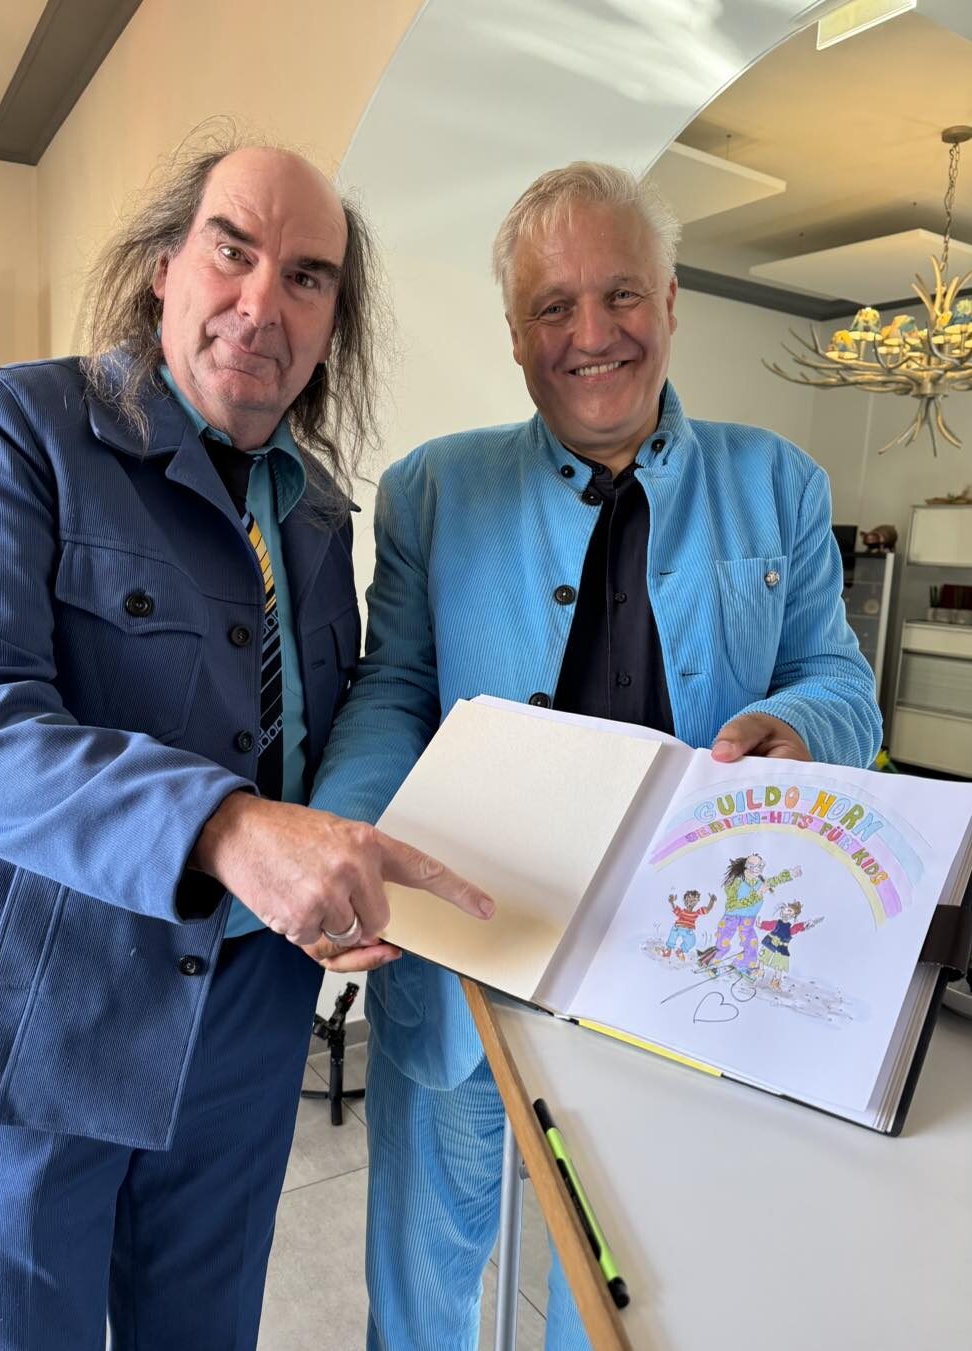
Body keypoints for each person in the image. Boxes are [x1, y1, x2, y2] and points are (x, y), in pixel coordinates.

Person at [0, 134, 492, 1351]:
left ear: (331, 323)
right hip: (40, 1003)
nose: (261, 303)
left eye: (307, 277)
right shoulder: (19, 424)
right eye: (232, 251)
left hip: (246, 1014)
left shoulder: (317, 511)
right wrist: (222, 826)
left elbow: (324, 721)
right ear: (164, 267)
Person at [310, 160, 881, 1350]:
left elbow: (839, 682)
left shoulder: (779, 482)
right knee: (421, 1284)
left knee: (619, 1297)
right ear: (514, 333)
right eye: (551, 307)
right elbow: (391, 691)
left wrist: (800, 726)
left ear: (669, 300)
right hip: (467, 961)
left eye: (619, 294)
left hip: (682, 979)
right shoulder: (430, 488)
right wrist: (345, 837)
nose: (590, 335)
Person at [699, 854, 803, 975]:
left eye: (761, 865)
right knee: (723, 942)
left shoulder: (759, 882)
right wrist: (757, 895)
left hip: (748, 919)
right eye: (756, 866)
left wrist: (790, 874)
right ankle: (709, 962)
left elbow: (774, 880)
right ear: (747, 866)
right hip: (731, 917)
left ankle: (742, 965)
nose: (760, 868)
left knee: (751, 942)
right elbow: (733, 904)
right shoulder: (736, 882)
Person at [660, 889, 716, 960]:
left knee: (692, 941)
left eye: (694, 900)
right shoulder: (681, 912)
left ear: (697, 901)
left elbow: (707, 910)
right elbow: (674, 908)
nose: (691, 901)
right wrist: (671, 902)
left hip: (688, 931)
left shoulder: (696, 913)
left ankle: (680, 951)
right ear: (684, 900)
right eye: (688, 899)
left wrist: (712, 901)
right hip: (677, 928)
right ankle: (668, 950)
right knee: (672, 937)